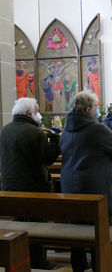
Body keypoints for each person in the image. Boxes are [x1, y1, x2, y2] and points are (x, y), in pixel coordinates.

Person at [59, 91, 112, 272]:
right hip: (96, 188)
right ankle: (100, 266)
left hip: (71, 187)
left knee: (77, 232)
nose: (98, 110)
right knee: (100, 232)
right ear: (88, 109)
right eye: (96, 106)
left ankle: (79, 267)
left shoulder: (66, 130)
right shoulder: (97, 128)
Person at [0, 97, 60, 270]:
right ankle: (37, 260)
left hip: (10, 185)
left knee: (16, 222)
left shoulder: (5, 130)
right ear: (29, 114)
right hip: (33, 186)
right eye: (37, 111)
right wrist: (55, 140)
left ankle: (16, 257)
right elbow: (47, 158)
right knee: (36, 224)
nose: (39, 115)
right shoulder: (35, 133)